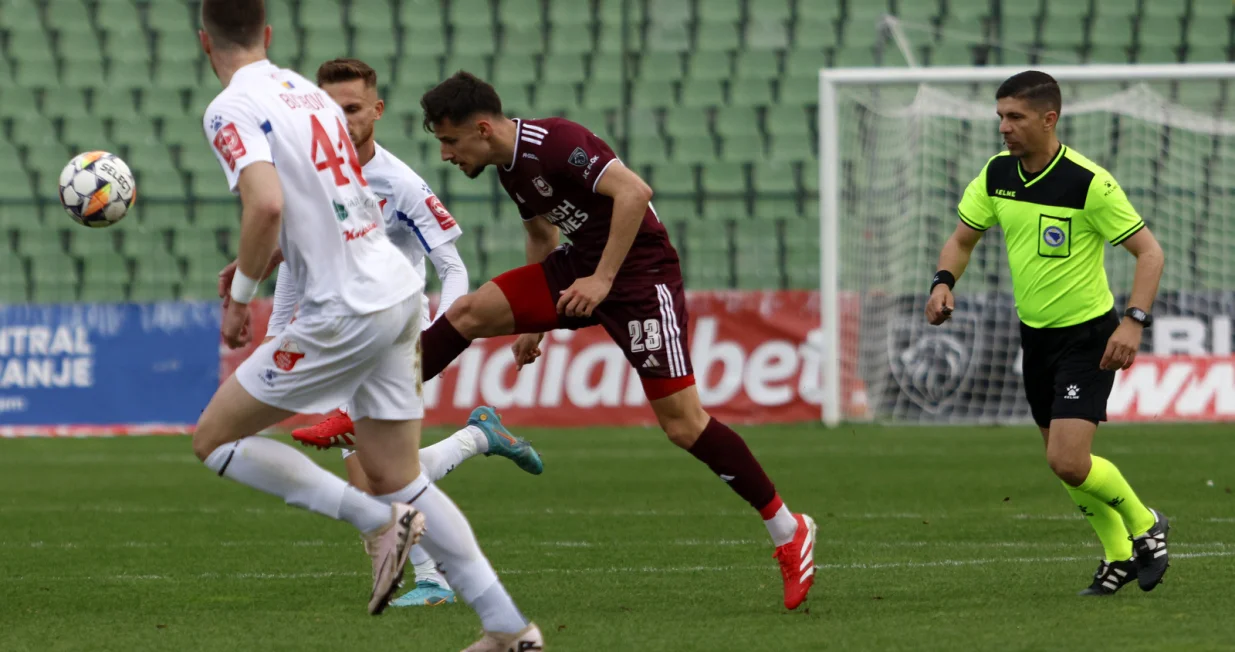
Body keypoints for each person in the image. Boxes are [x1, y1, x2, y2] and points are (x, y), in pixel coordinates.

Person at [296, 71, 817, 611]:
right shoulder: (510, 168)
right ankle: (360, 411)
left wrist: (603, 280)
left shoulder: (557, 142)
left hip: (641, 278)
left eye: (450, 141)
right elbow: (543, 236)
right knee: (469, 313)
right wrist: (534, 324)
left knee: (684, 425)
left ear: (481, 129)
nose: (446, 154)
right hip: (579, 267)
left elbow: (634, 193)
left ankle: (788, 529)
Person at [193, 2, 542, 648]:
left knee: (214, 440)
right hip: (398, 296)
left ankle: (376, 521)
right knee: (399, 476)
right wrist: (267, 257)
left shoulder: (231, 106)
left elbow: (266, 204)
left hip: (343, 309)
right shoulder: (305, 95)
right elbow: (326, 206)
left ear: (204, 43)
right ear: (267, 34)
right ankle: (509, 628)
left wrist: (242, 295)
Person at [264, 57, 544, 608]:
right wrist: (276, 336)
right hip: (338, 332)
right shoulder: (305, 176)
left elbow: (454, 269)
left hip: (396, 332)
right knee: (375, 475)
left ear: (377, 110)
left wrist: (435, 340)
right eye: (329, 109)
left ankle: (433, 578)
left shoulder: (401, 184)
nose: (341, 120)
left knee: (374, 472)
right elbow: (295, 263)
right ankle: (478, 438)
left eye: (352, 108)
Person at [925, 71, 1170, 596]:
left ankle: (1146, 524)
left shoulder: (1089, 182)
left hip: (1089, 337)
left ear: (1048, 119)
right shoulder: (997, 174)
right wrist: (943, 281)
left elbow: (1150, 253)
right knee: (1064, 465)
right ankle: (1117, 555)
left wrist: (1133, 321)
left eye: (1015, 117)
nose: (1004, 127)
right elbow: (962, 240)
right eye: (1000, 117)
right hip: (1035, 337)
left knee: (1067, 459)